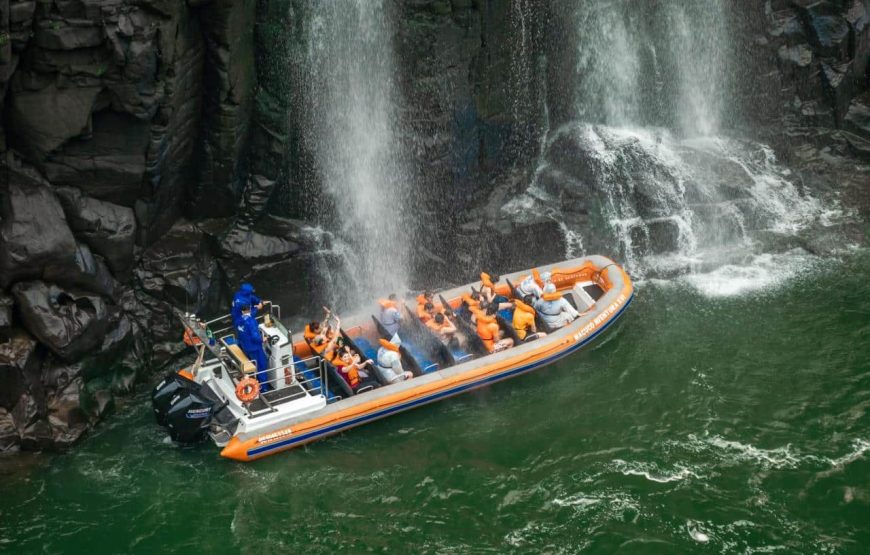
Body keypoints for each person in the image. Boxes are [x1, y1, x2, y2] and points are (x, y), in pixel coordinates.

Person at [237, 304, 271, 392]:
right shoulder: (251, 322)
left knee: (254, 363)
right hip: (255, 348)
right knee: (261, 366)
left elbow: (249, 316)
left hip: (245, 347)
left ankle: (257, 381)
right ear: (249, 309)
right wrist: (263, 339)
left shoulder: (239, 319)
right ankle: (264, 389)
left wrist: (256, 308)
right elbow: (255, 337)